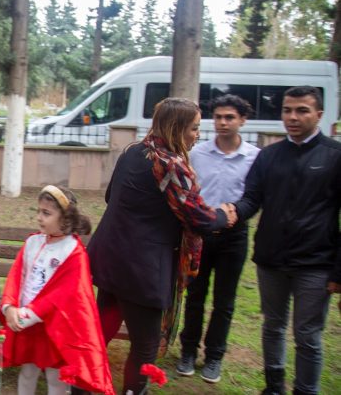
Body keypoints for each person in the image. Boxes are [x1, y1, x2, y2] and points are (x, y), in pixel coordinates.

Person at [86, 97, 236, 394]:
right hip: (142, 269)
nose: (198, 135)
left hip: (111, 258)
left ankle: (79, 385)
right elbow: (199, 219)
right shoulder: (170, 165)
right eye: (194, 128)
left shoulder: (131, 152)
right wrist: (223, 215)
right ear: (177, 128)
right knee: (145, 345)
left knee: (101, 329)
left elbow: (110, 197)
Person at [228, 86, 340, 395]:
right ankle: (273, 387)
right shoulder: (269, 155)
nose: (292, 117)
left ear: (319, 114)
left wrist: (338, 272)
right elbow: (252, 199)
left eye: (302, 110)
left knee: (308, 335)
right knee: (272, 326)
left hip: (316, 264)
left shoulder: (334, 155)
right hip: (270, 259)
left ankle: (306, 390)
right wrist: (231, 212)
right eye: (287, 110)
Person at [0, 185, 114, 395]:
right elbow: (16, 276)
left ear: (65, 218)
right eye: (38, 211)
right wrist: (9, 307)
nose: (39, 217)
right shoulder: (32, 242)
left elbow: (63, 295)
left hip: (56, 328)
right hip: (26, 324)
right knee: (28, 371)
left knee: (56, 378)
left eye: (46, 213)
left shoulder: (74, 253)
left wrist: (25, 315)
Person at [176, 95, 260, 383]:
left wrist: (235, 213)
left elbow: (254, 197)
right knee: (195, 296)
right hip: (201, 234)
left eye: (230, 117)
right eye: (219, 117)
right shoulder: (197, 153)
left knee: (225, 301)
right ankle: (188, 351)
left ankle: (214, 357)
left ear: (242, 120)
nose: (223, 123)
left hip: (234, 237)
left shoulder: (254, 156)